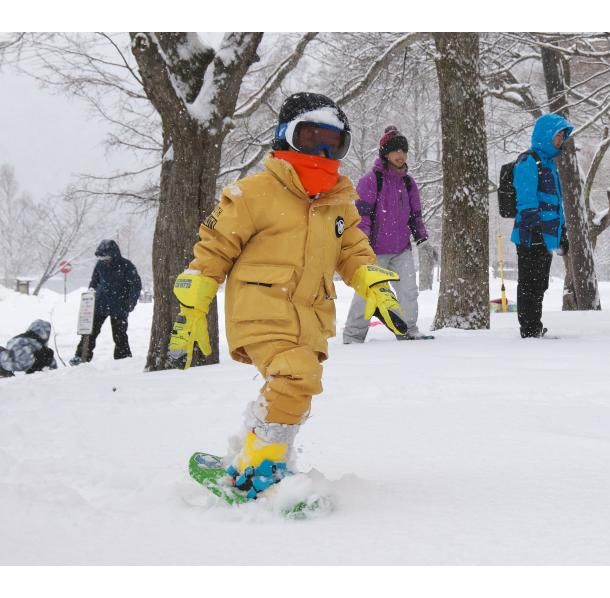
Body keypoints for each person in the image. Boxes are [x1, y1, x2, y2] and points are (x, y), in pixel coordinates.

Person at [167, 92, 407, 500]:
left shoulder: (339, 203)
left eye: (335, 143)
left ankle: (253, 453)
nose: (323, 150)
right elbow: (213, 247)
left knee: (297, 390)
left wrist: (375, 285)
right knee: (298, 377)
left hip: (310, 318)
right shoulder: (253, 194)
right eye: (311, 137)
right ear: (285, 137)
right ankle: (257, 474)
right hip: (261, 310)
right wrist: (192, 306)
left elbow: (352, 250)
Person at [342, 126, 438, 343]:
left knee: (408, 292)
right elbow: (362, 214)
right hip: (374, 250)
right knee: (367, 294)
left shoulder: (408, 182)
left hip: (401, 248)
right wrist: (361, 241)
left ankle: (407, 330)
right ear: (385, 153)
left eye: (404, 150)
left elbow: (415, 215)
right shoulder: (371, 180)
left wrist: (421, 237)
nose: (400, 155)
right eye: (395, 150)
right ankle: (353, 336)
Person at [510, 113, 573, 338]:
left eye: (563, 136)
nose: (561, 141)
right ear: (547, 135)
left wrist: (561, 232)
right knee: (529, 283)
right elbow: (526, 200)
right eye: (558, 135)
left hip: (547, 237)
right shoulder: (529, 161)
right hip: (530, 235)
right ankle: (529, 329)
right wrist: (534, 228)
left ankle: (534, 325)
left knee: (540, 284)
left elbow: (556, 204)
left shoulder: (549, 164)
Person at [70, 239, 142, 365]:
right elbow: (94, 281)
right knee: (90, 332)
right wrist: (91, 292)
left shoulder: (126, 265)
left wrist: (130, 303)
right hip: (100, 304)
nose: (103, 260)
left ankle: (123, 360)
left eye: (105, 257)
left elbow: (135, 286)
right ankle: (81, 356)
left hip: (119, 306)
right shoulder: (99, 265)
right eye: (101, 258)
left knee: (119, 335)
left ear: (113, 254)